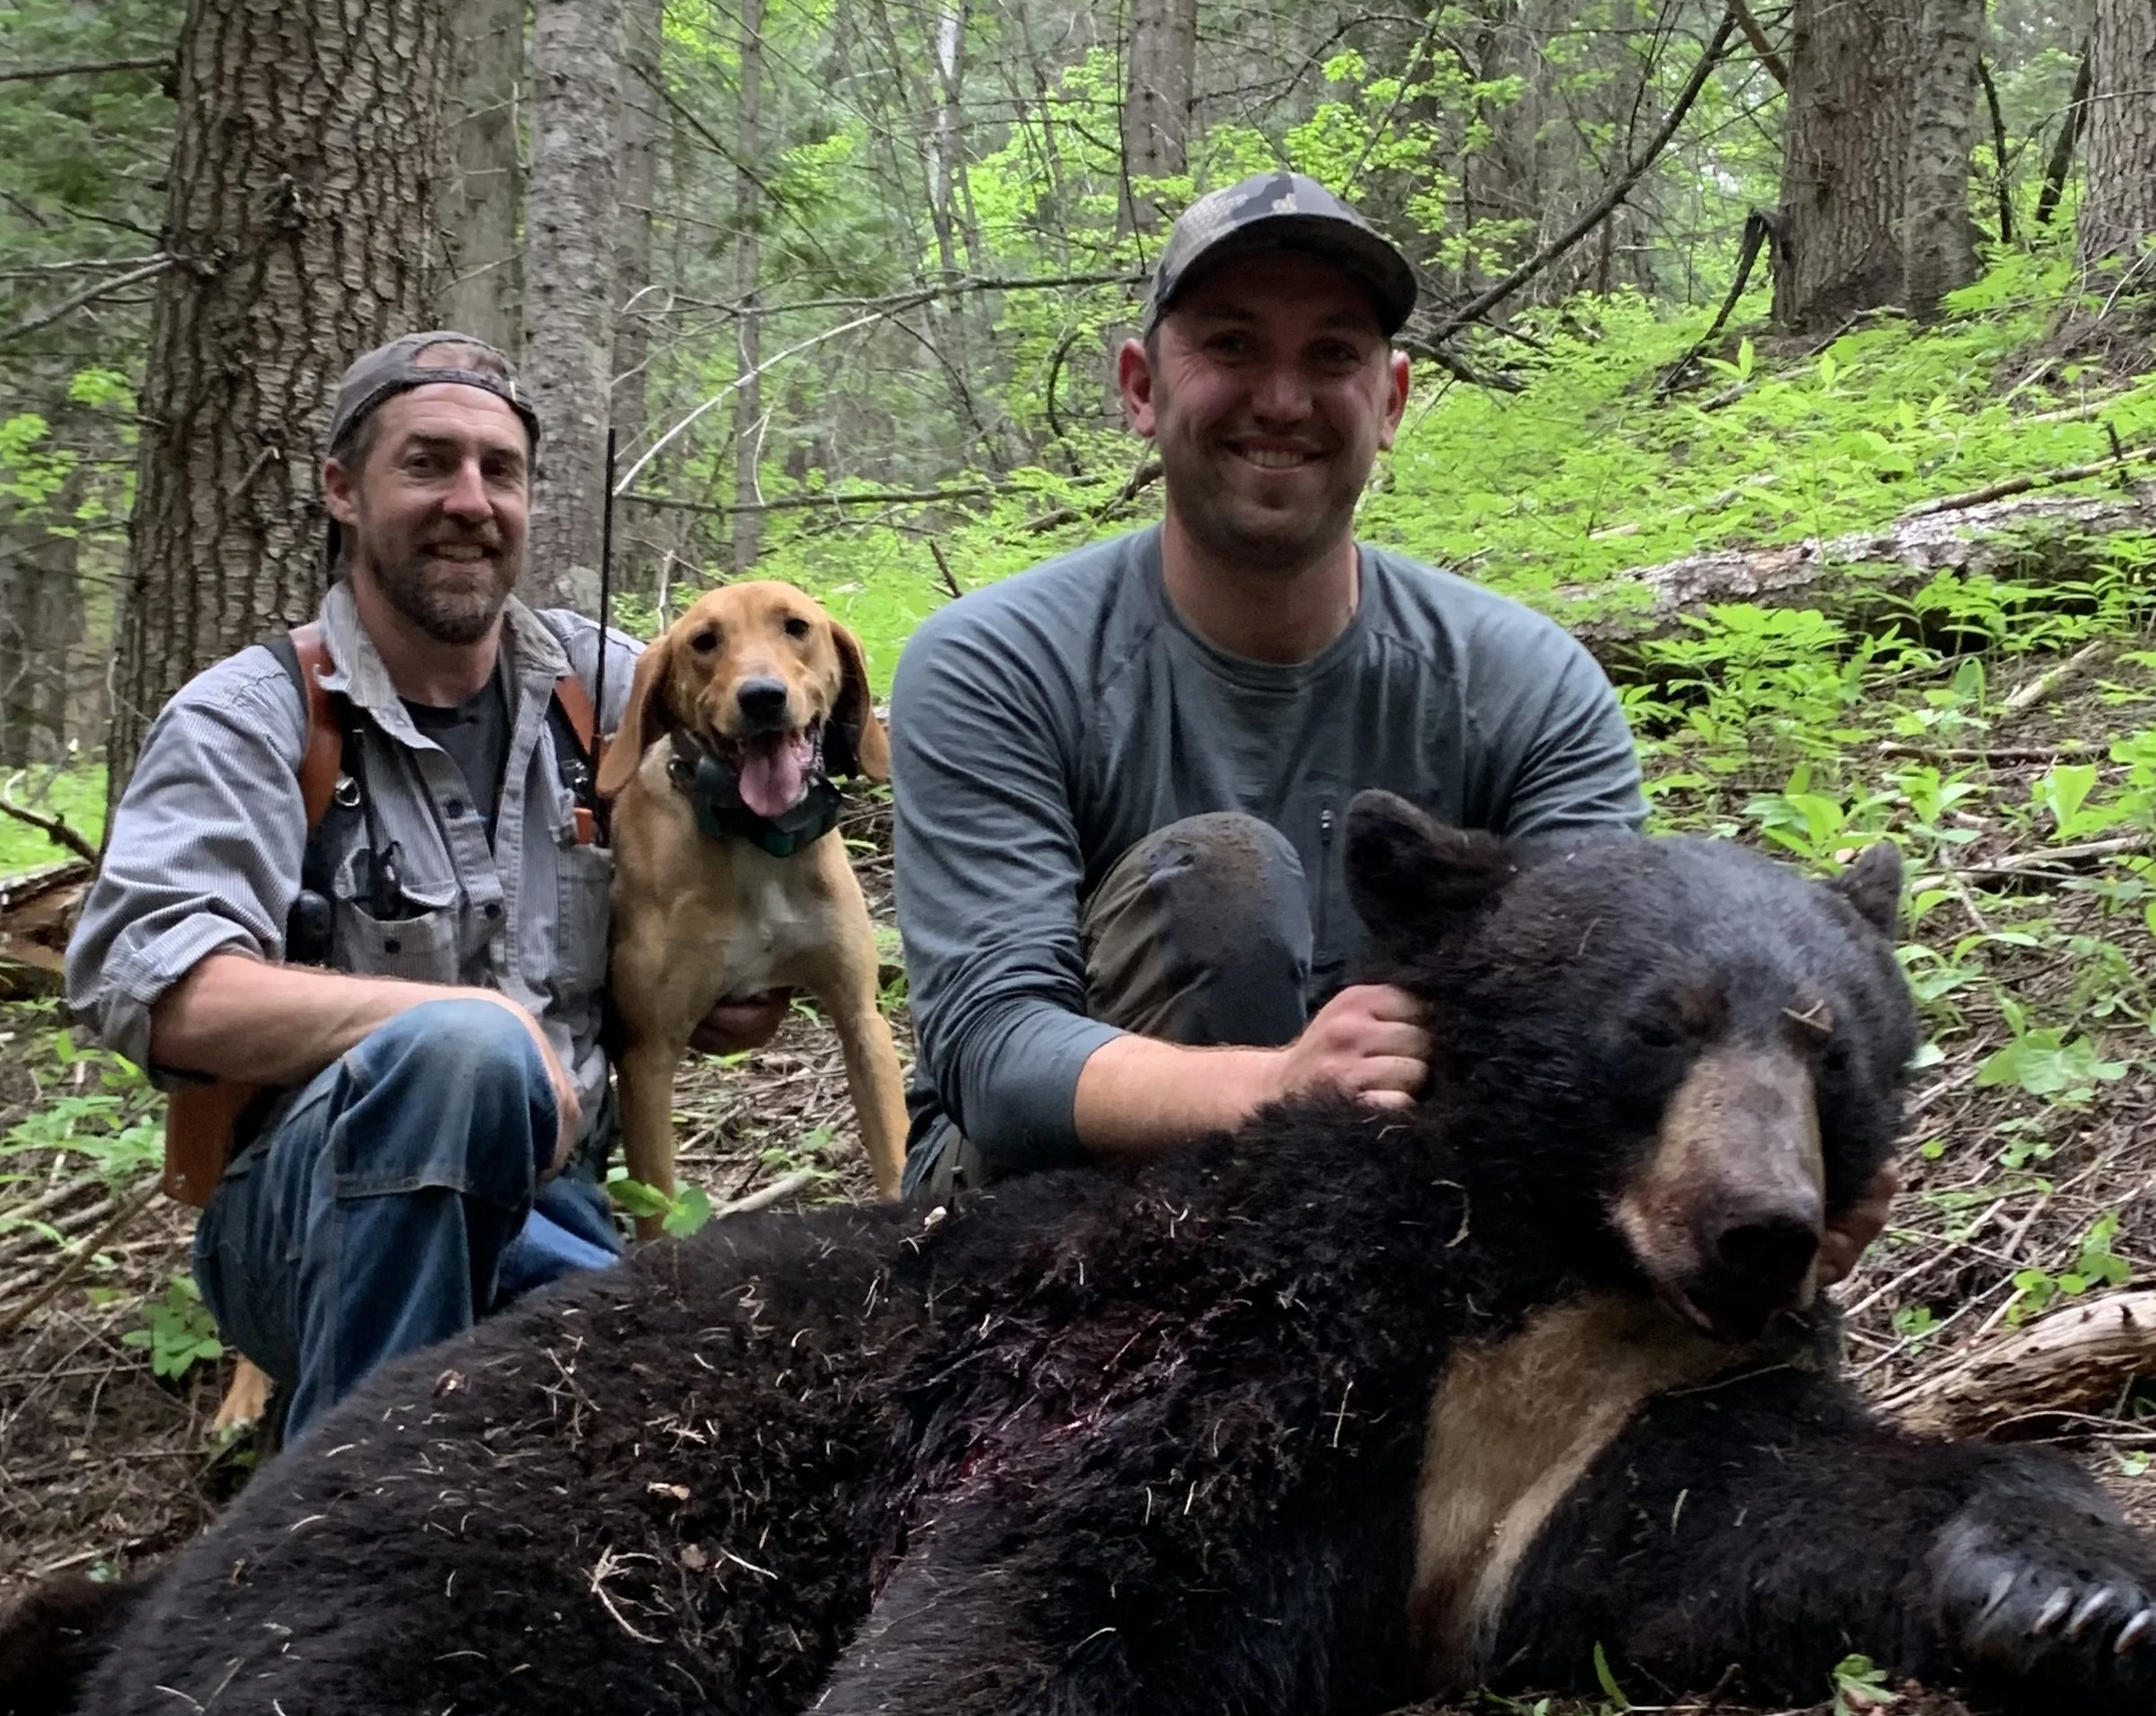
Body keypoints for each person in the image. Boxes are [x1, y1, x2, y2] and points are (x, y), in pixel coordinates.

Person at [889, 173, 1895, 1274]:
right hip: (1030, 1226)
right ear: (1140, 387)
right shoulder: (997, 661)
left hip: (1408, 1203)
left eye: (1332, 354)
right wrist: (1278, 1085)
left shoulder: (1525, 682)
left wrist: (1748, 1198)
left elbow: (1599, 1012)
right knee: (1221, 879)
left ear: (1392, 400)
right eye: (1231, 345)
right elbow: (995, 1054)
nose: (1283, 398)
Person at [67, 333, 764, 1444]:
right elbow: (156, 989)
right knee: (463, 1055)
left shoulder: (606, 690)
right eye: (428, 463)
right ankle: (342, 1512)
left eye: (501, 471)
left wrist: (732, 973)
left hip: (556, 1207)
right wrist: (459, 1020)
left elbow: (775, 786)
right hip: (303, 1225)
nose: (470, 502)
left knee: (718, 1393)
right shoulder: (253, 717)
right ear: (343, 490)